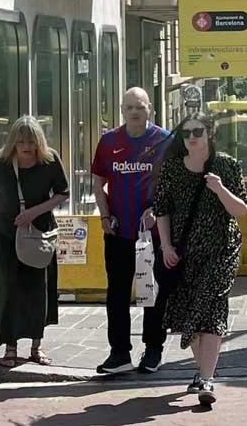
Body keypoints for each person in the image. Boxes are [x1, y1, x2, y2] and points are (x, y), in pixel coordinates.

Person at [154, 114, 247, 406]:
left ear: (210, 134)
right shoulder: (171, 169)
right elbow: (162, 210)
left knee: (211, 308)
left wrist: (220, 189)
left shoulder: (227, 165)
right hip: (184, 254)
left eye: (198, 131)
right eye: (186, 132)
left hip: (221, 251)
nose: (192, 136)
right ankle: (203, 371)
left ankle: (207, 379)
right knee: (187, 313)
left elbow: (240, 210)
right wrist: (166, 245)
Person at [0, 116, 69, 367]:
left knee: (39, 287)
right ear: (13, 142)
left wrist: (34, 212)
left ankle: (37, 346)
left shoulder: (49, 160)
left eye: (31, 141)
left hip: (38, 233)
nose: (26, 146)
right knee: (8, 288)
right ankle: (10, 346)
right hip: (3, 236)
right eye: (21, 141)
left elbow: (62, 193)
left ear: (39, 141)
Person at [91, 88, 172, 374]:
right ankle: (119, 354)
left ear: (149, 108)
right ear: (121, 110)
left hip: (154, 235)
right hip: (118, 233)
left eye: (139, 107)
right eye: (129, 108)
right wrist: (104, 216)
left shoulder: (164, 140)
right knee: (117, 295)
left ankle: (153, 349)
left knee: (152, 293)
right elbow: (98, 182)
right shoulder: (109, 141)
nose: (134, 112)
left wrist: (156, 208)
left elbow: (174, 184)